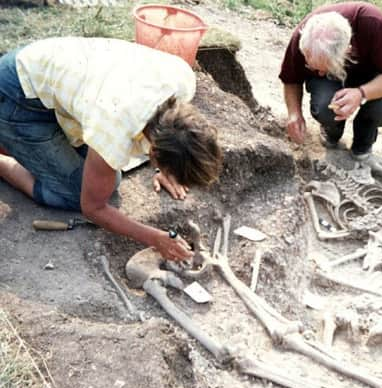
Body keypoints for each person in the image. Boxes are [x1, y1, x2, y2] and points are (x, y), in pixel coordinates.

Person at [0, 37, 222, 262]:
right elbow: (92, 208)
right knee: (77, 193)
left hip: (56, 71)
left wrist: (165, 168)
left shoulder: (182, 82)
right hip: (16, 95)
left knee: (103, 179)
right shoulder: (113, 128)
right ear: (154, 153)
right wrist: (156, 238)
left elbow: (175, 134)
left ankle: (20, 144)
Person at [279, 1, 382, 160]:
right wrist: (294, 114)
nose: (319, 72)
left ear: (348, 50)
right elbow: (291, 78)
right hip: (333, 81)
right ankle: (331, 130)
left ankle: (363, 142)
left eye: (324, 67)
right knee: (325, 106)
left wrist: (361, 93)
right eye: (313, 67)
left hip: (369, 78)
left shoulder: (374, 23)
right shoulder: (303, 36)